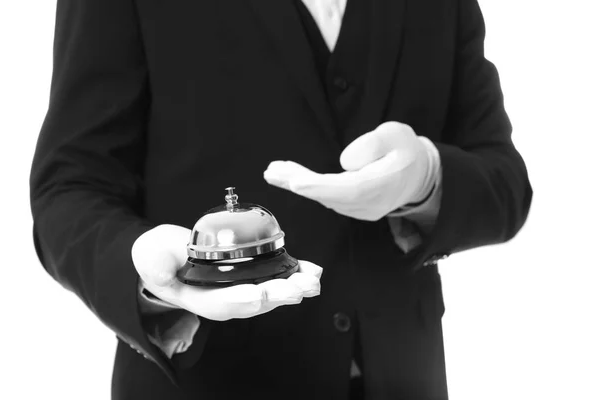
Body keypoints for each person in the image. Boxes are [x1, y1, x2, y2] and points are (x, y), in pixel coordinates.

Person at [29, 0, 532, 398]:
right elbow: (70, 184)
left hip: (406, 379)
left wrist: (428, 178)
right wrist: (140, 266)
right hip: (209, 384)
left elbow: (506, 182)